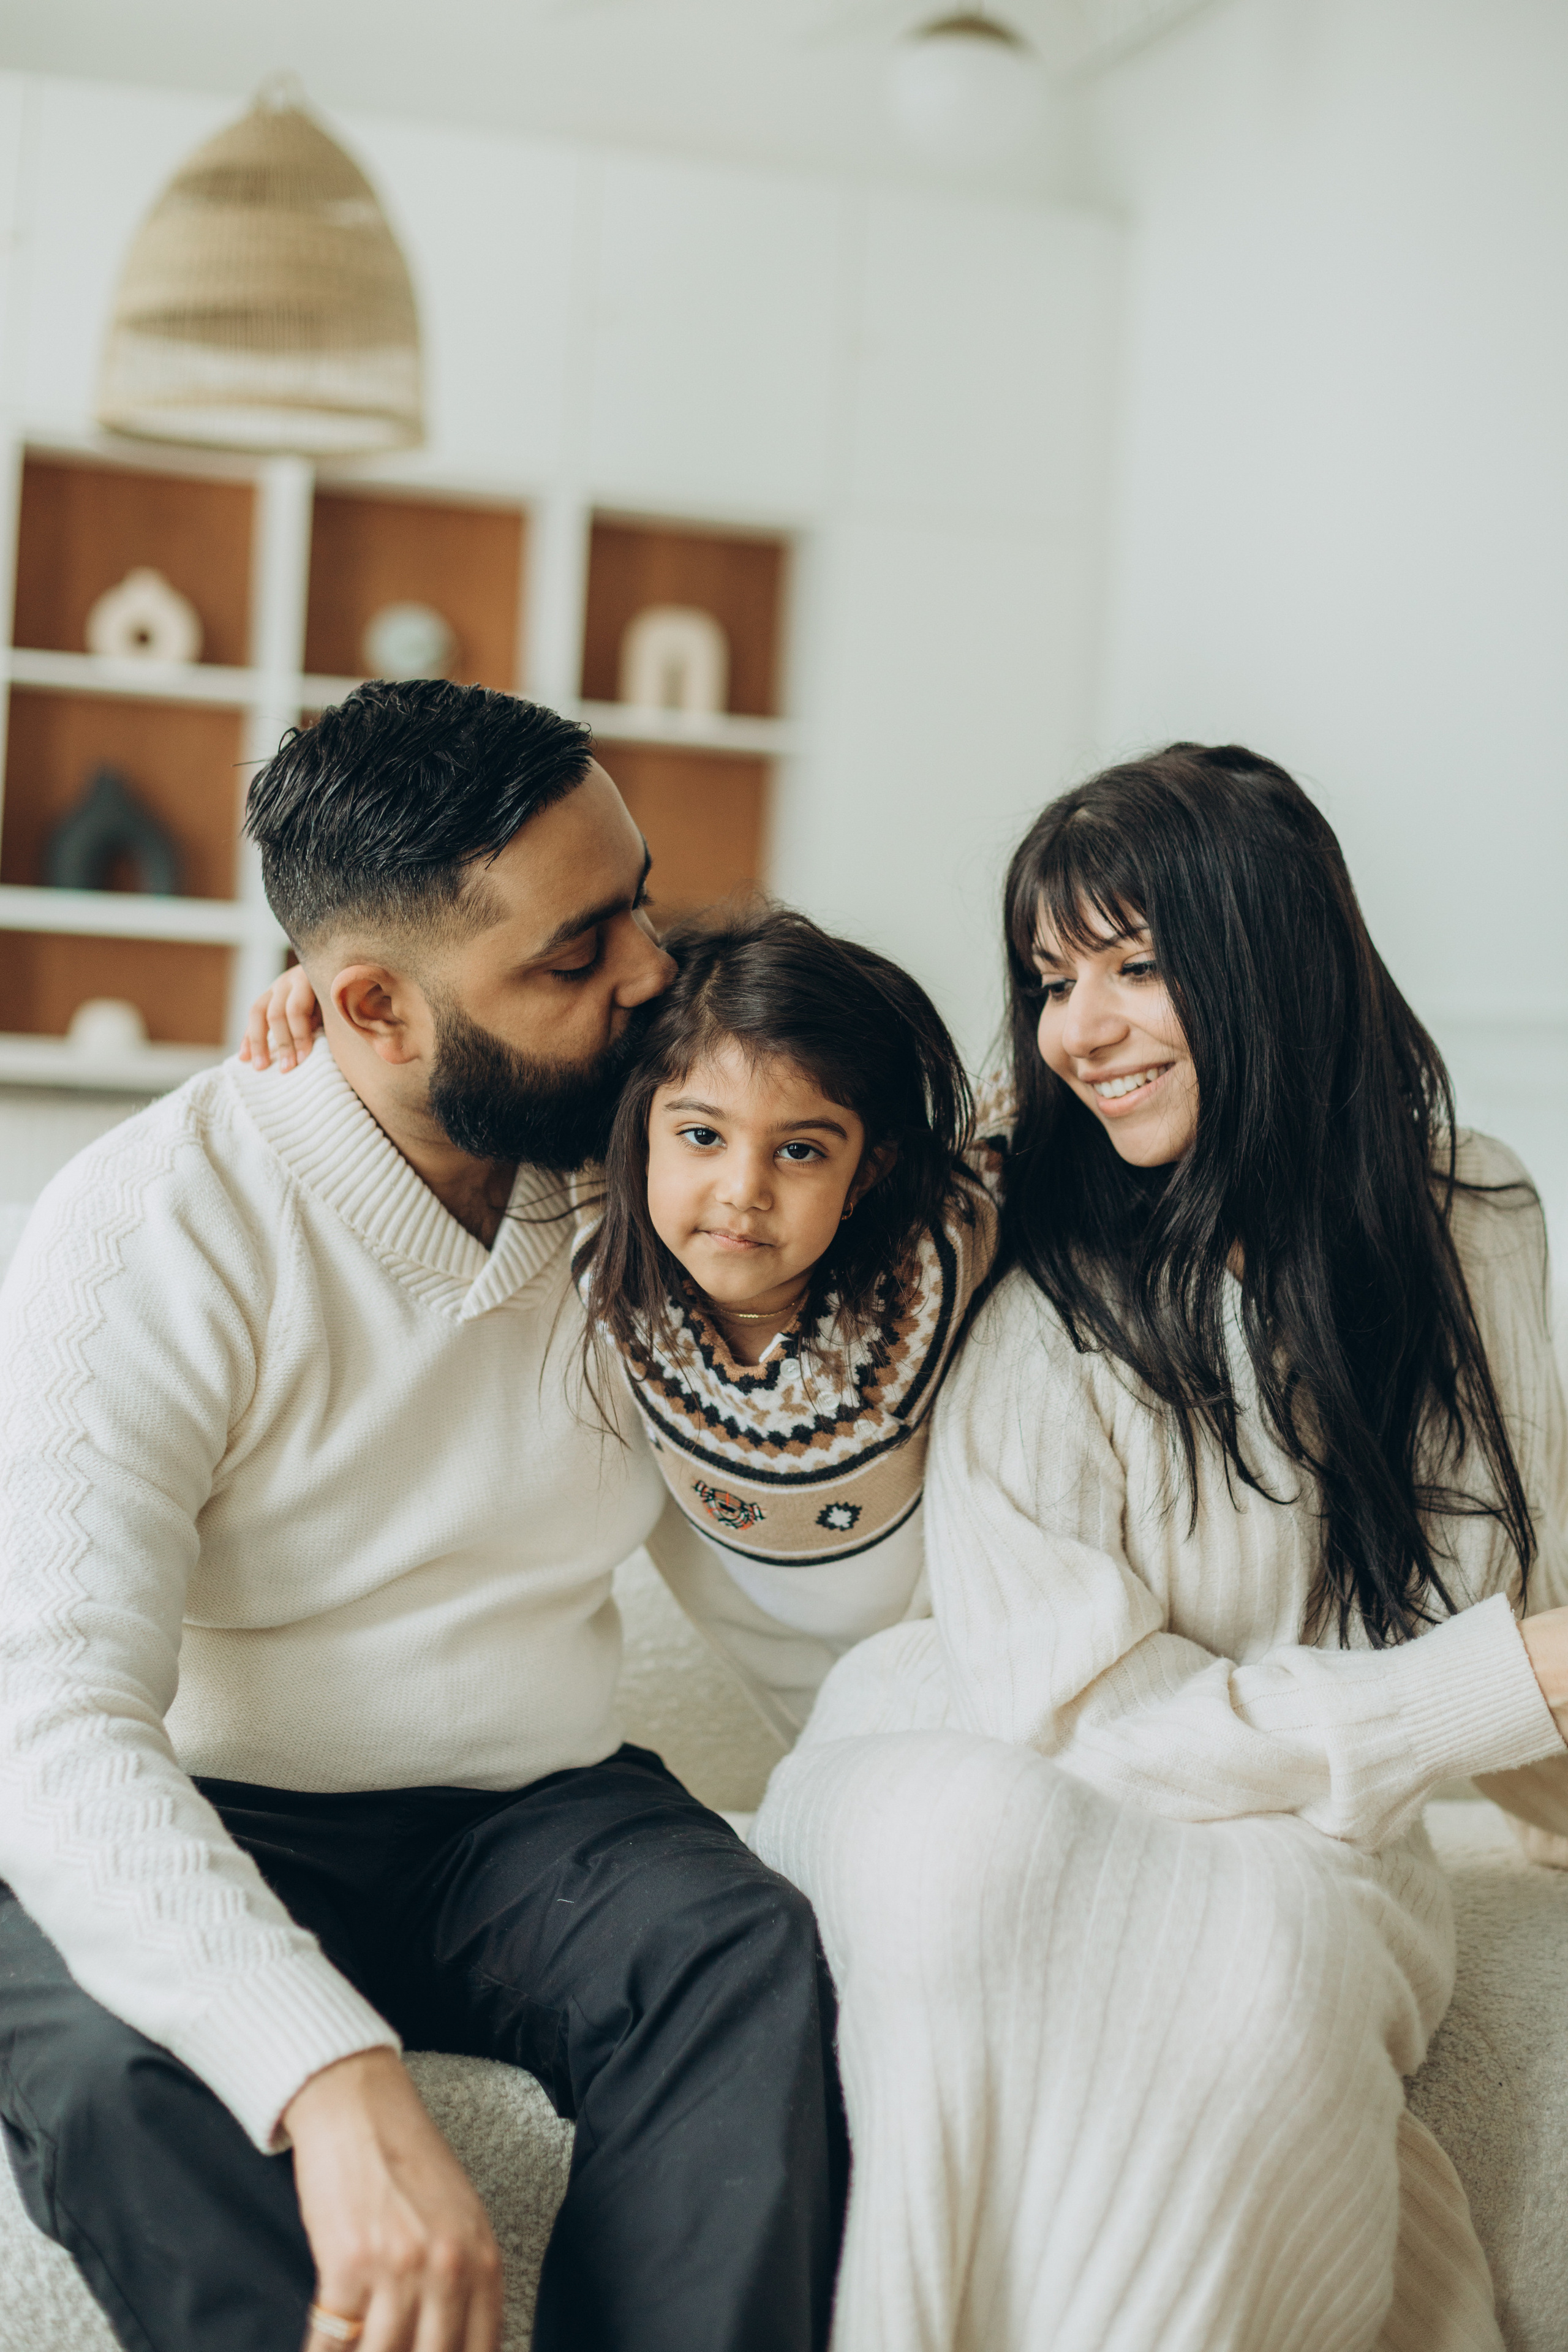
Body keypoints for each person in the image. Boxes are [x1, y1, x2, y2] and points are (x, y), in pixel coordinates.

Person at [0, 679, 848, 2352]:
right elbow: (52, 1723)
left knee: (741, 1953)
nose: (649, 975)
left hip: (533, 1819)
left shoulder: (657, 1166)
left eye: (640, 907)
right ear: (372, 1008)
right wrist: (325, 2073)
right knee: (103, 2072)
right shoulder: (145, 1227)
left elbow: (873, 1125)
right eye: (575, 954)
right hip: (212, 1802)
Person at [750, 743, 1568, 2352]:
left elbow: (1526, 1611)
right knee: (1000, 1858)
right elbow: (1085, 1722)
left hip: (1293, 1830)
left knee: (1275, 1949)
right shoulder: (1028, 1262)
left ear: (1273, 956)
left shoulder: (1472, 1218)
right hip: (978, 1750)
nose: (1079, 1030)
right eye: (1052, 981)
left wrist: (1524, 1721)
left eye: (1134, 966)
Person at [249, 903, 997, 1703]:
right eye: (702, 1137)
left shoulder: (940, 1248)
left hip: (965, 1644)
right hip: (787, 1680)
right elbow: (481, 1061)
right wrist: (343, 996)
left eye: (800, 1151)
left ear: (867, 1173)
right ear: (636, 1135)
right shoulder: (597, 1208)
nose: (744, 1191)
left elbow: (1037, 1129)